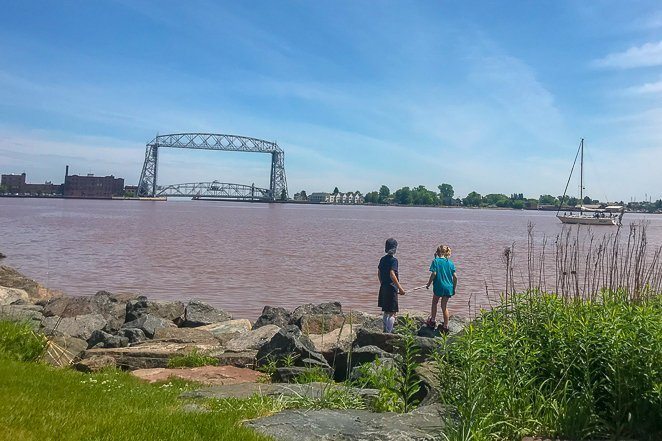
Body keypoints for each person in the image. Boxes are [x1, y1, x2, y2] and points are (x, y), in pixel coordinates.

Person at [425, 244, 457, 333]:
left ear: (437, 252)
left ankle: (433, 321)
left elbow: (434, 274)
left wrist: (428, 283)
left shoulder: (435, 261)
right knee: (444, 306)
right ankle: (445, 326)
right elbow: (455, 277)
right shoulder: (450, 263)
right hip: (448, 287)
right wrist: (453, 288)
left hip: (439, 286)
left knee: (434, 303)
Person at [378, 238, 406, 333]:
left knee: (386, 311)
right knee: (393, 312)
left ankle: (385, 330)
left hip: (384, 287)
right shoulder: (394, 261)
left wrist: (382, 283)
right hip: (391, 288)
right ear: (395, 248)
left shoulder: (382, 259)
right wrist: (400, 288)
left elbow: (379, 272)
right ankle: (389, 332)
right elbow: (392, 274)